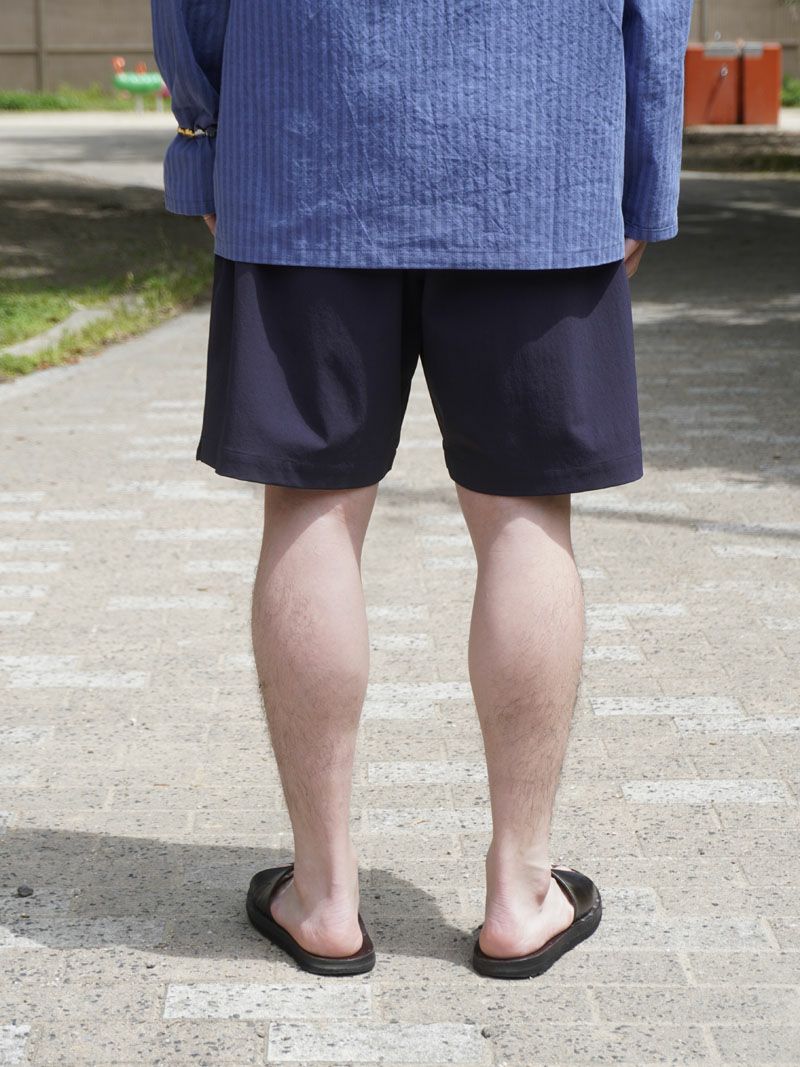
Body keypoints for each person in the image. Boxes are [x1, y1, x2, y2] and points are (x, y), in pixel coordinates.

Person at [150, 0, 693, 979]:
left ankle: (322, 896)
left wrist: (205, 139)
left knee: (311, 506)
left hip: (304, 132)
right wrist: (643, 174)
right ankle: (520, 893)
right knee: (525, 513)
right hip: (540, 144)